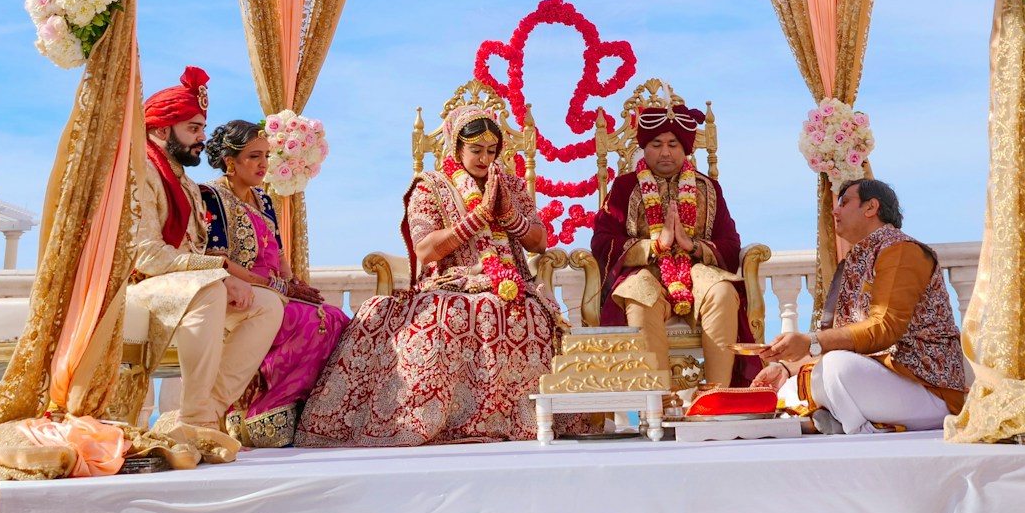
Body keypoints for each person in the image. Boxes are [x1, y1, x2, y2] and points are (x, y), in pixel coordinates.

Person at [296, 109, 563, 446]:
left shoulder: (508, 184)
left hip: (510, 281)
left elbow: (539, 242)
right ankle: (428, 422)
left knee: (533, 316)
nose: (484, 158)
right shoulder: (432, 186)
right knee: (447, 316)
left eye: (491, 151)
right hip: (450, 282)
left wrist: (508, 214)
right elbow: (425, 250)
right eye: (476, 150)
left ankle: (523, 420)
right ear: (457, 148)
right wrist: (477, 218)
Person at [126, 68, 283, 454]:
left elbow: (194, 250)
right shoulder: (141, 172)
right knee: (210, 291)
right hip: (142, 281)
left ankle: (207, 414)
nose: (201, 139)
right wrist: (215, 272)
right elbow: (146, 254)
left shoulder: (180, 178)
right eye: (193, 129)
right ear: (162, 131)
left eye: (201, 129)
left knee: (267, 305)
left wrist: (220, 270)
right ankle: (195, 419)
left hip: (179, 281)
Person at [752, 178, 967, 433]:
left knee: (835, 369)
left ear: (870, 207)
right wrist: (787, 368)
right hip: (881, 383)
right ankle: (844, 421)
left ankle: (855, 426)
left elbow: (884, 328)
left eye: (845, 202)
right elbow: (846, 341)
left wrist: (809, 341)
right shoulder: (854, 262)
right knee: (788, 387)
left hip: (926, 390)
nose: (835, 210)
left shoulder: (902, 251)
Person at [196, 118, 349, 447]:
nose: (263, 164)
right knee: (308, 321)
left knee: (333, 317)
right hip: (241, 292)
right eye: (253, 156)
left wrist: (294, 282)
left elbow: (277, 254)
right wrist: (275, 287)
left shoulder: (263, 200)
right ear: (230, 162)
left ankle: (294, 418)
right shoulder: (212, 196)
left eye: (266, 155)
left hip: (272, 290)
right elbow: (218, 258)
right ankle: (262, 413)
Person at [590, 101, 755, 387]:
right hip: (647, 270)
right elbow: (602, 242)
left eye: (673, 144)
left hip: (698, 270)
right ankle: (658, 398)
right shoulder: (625, 187)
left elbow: (730, 242)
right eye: (656, 144)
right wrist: (653, 246)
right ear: (644, 147)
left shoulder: (708, 188)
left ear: (685, 149)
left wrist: (693, 246)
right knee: (641, 297)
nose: (665, 152)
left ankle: (718, 395)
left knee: (723, 293)